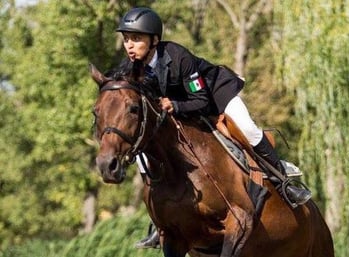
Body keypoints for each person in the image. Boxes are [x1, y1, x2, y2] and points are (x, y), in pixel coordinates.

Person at [115, 7, 311, 248]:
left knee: (248, 129)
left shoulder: (177, 57)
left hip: (215, 96)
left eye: (136, 39)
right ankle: (160, 223)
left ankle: (284, 182)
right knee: (144, 154)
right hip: (182, 111)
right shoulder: (131, 67)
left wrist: (174, 104)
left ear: (154, 40)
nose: (130, 46)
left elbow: (202, 100)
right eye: (126, 40)